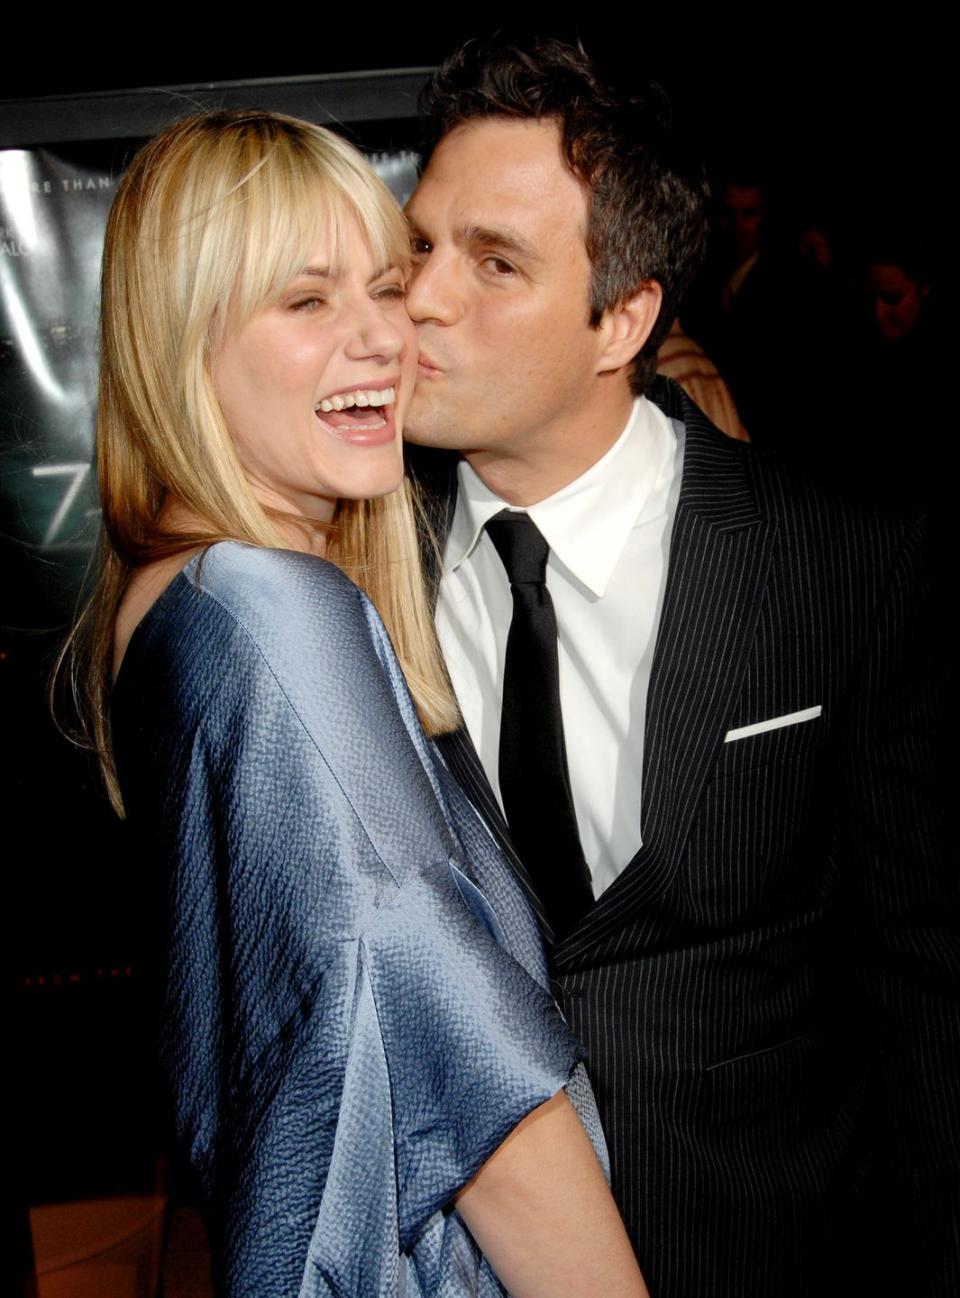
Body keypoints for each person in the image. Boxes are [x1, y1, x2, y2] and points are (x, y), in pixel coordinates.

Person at [403, 38, 960, 1298]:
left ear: (625, 317)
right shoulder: (351, 567)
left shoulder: (837, 563)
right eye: (418, 246)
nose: (423, 299)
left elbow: (925, 992)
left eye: (493, 262)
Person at [66, 109, 647, 1298]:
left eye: (384, 287)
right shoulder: (268, 608)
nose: (385, 336)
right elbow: (452, 1034)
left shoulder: (170, 602)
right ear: (185, 340)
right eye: (307, 301)